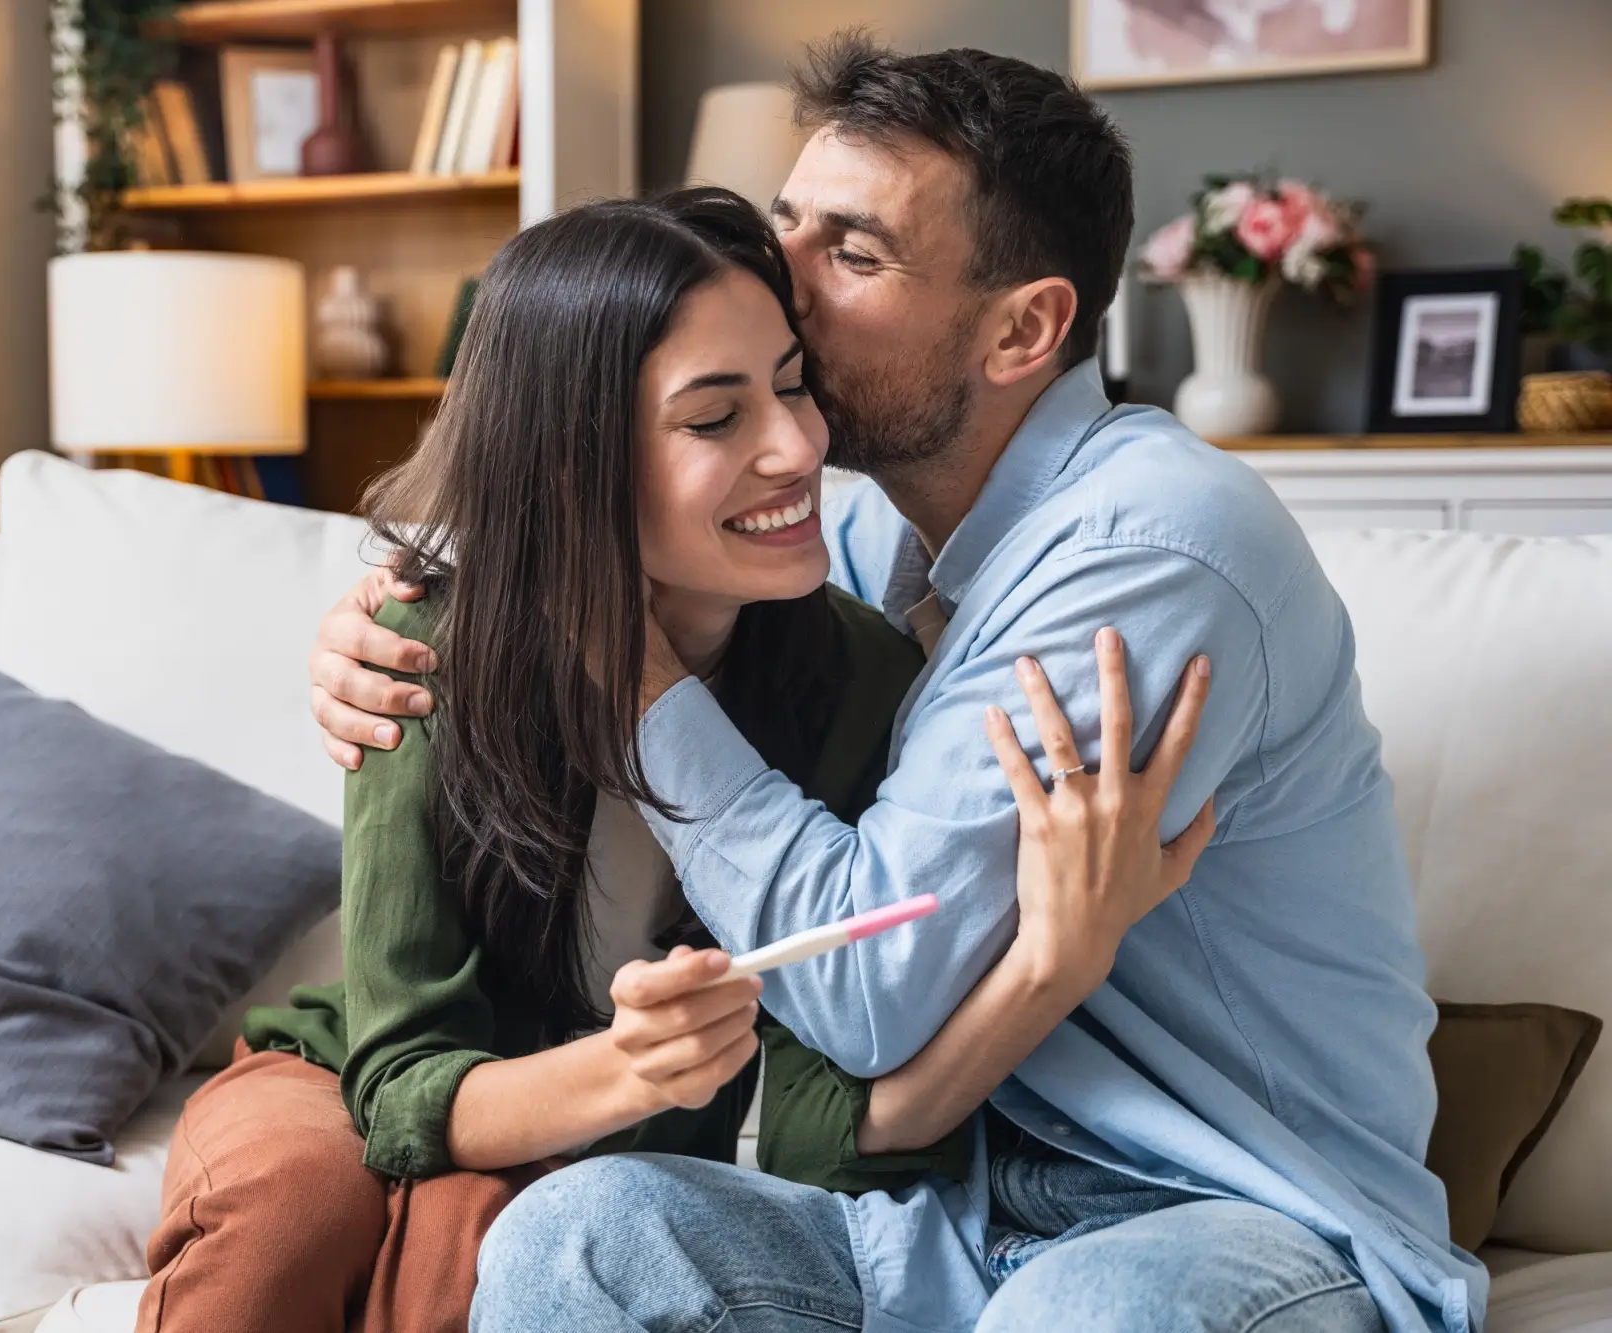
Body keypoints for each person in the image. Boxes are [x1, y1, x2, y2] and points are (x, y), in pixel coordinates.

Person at [310, 37, 1485, 1333]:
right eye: (789, 225)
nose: (783, 285)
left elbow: (869, 992)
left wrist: (639, 688)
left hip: (1231, 1218)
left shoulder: (1149, 553)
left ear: (1024, 327)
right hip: (944, 1206)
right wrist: (411, 615)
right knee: (582, 1239)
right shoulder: (871, 539)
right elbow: (609, 494)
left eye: (852, 256)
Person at [137, 187, 1214, 1333]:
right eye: (714, 418)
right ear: (572, 463)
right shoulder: (421, 649)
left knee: (486, 1240)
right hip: (353, 1075)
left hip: (600, 1153)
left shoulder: (856, 680)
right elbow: (401, 1082)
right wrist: (631, 1069)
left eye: (792, 385)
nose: (799, 446)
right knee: (288, 1205)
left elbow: (814, 1131)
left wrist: (1053, 956)